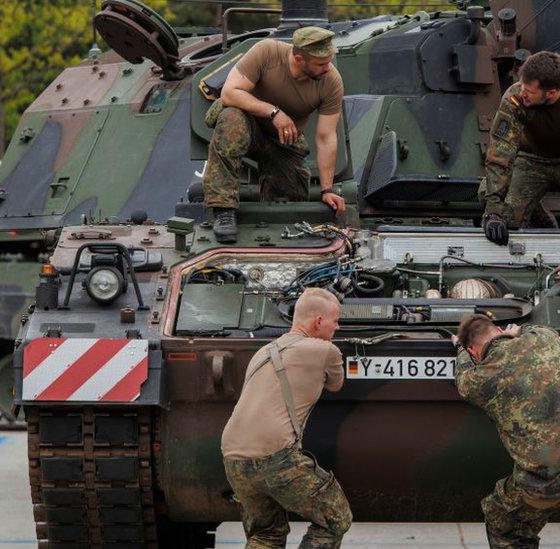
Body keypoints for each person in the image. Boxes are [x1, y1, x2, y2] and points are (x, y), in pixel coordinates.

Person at [453, 315, 560, 549]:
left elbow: (462, 380)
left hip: (547, 479)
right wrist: (520, 330)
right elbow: (546, 329)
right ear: (500, 329)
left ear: (474, 352)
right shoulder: (542, 340)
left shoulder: (482, 379)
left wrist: (460, 350)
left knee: (502, 522)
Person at [221, 288, 351, 548]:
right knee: (336, 519)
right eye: (335, 321)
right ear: (318, 321)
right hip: (275, 458)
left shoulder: (263, 352)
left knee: (266, 534)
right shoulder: (326, 350)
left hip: (233, 458)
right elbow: (336, 385)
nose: (337, 327)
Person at [203, 27, 347, 243]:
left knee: (293, 201)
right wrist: (273, 112)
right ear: (299, 59)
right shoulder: (266, 52)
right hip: (247, 125)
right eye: (321, 64)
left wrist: (327, 189)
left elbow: (326, 137)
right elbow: (230, 92)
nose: (328, 68)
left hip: (285, 141)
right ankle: (223, 211)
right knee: (231, 118)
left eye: (329, 61)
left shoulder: (331, 82)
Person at [480, 51, 560, 245]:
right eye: (522, 85)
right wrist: (492, 213)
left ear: (551, 93)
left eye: (530, 91)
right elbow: (500, 153)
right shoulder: (515, 97)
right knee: (503, 213)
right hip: (531, 160)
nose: (522, 92)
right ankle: (536, 214)